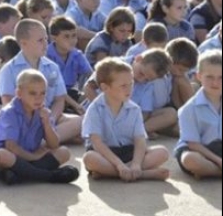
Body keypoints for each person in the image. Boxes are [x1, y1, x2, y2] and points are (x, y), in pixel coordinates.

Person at [81, 58, 170, 181]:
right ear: (105, 87)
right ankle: (143, 174)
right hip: (105, 153)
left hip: (129, 151)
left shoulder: (134, 109)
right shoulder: (95, 109)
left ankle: (114, 173)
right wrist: (119, 164)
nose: (129, 89)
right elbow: (97, 143)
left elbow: (139, 139)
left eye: (131, 84)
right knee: (89, 159)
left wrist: (136, 164)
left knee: (162, 152)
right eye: (123, 86)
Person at [0, 19, 82, 144]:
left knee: (81, 121)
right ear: (24, 43)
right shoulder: (9, 69)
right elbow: (7, 102)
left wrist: (50, 120)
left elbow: (59, 99)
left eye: (46, 39)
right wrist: (32, 121)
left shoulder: (52, 67)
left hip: (47, 116)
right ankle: (46, 140)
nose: (45, 44)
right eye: (40, 40)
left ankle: (43, 140)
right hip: (22, 120)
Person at [0, 69, 80, 184]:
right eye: (33, 93)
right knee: (2, 155)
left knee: (64, 152)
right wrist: (32, 157)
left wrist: (46, 123)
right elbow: (10, 146)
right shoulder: (9, 112)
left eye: (42, 93)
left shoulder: (42, 111)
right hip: (12, 156)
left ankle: (19, 173)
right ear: (19, 93)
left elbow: (54, 144)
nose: (38, 98)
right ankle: (49, 176)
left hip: (30, 157)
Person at [175, 49, 222, 179]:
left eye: (220, 78)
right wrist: (219, 161)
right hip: (198, 150)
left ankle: (210, 172)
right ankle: (215, 171)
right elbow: (193, 144)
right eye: (209, 77)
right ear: (199, 76)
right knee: (190, 160)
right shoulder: (189, 109)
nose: (215, 83)